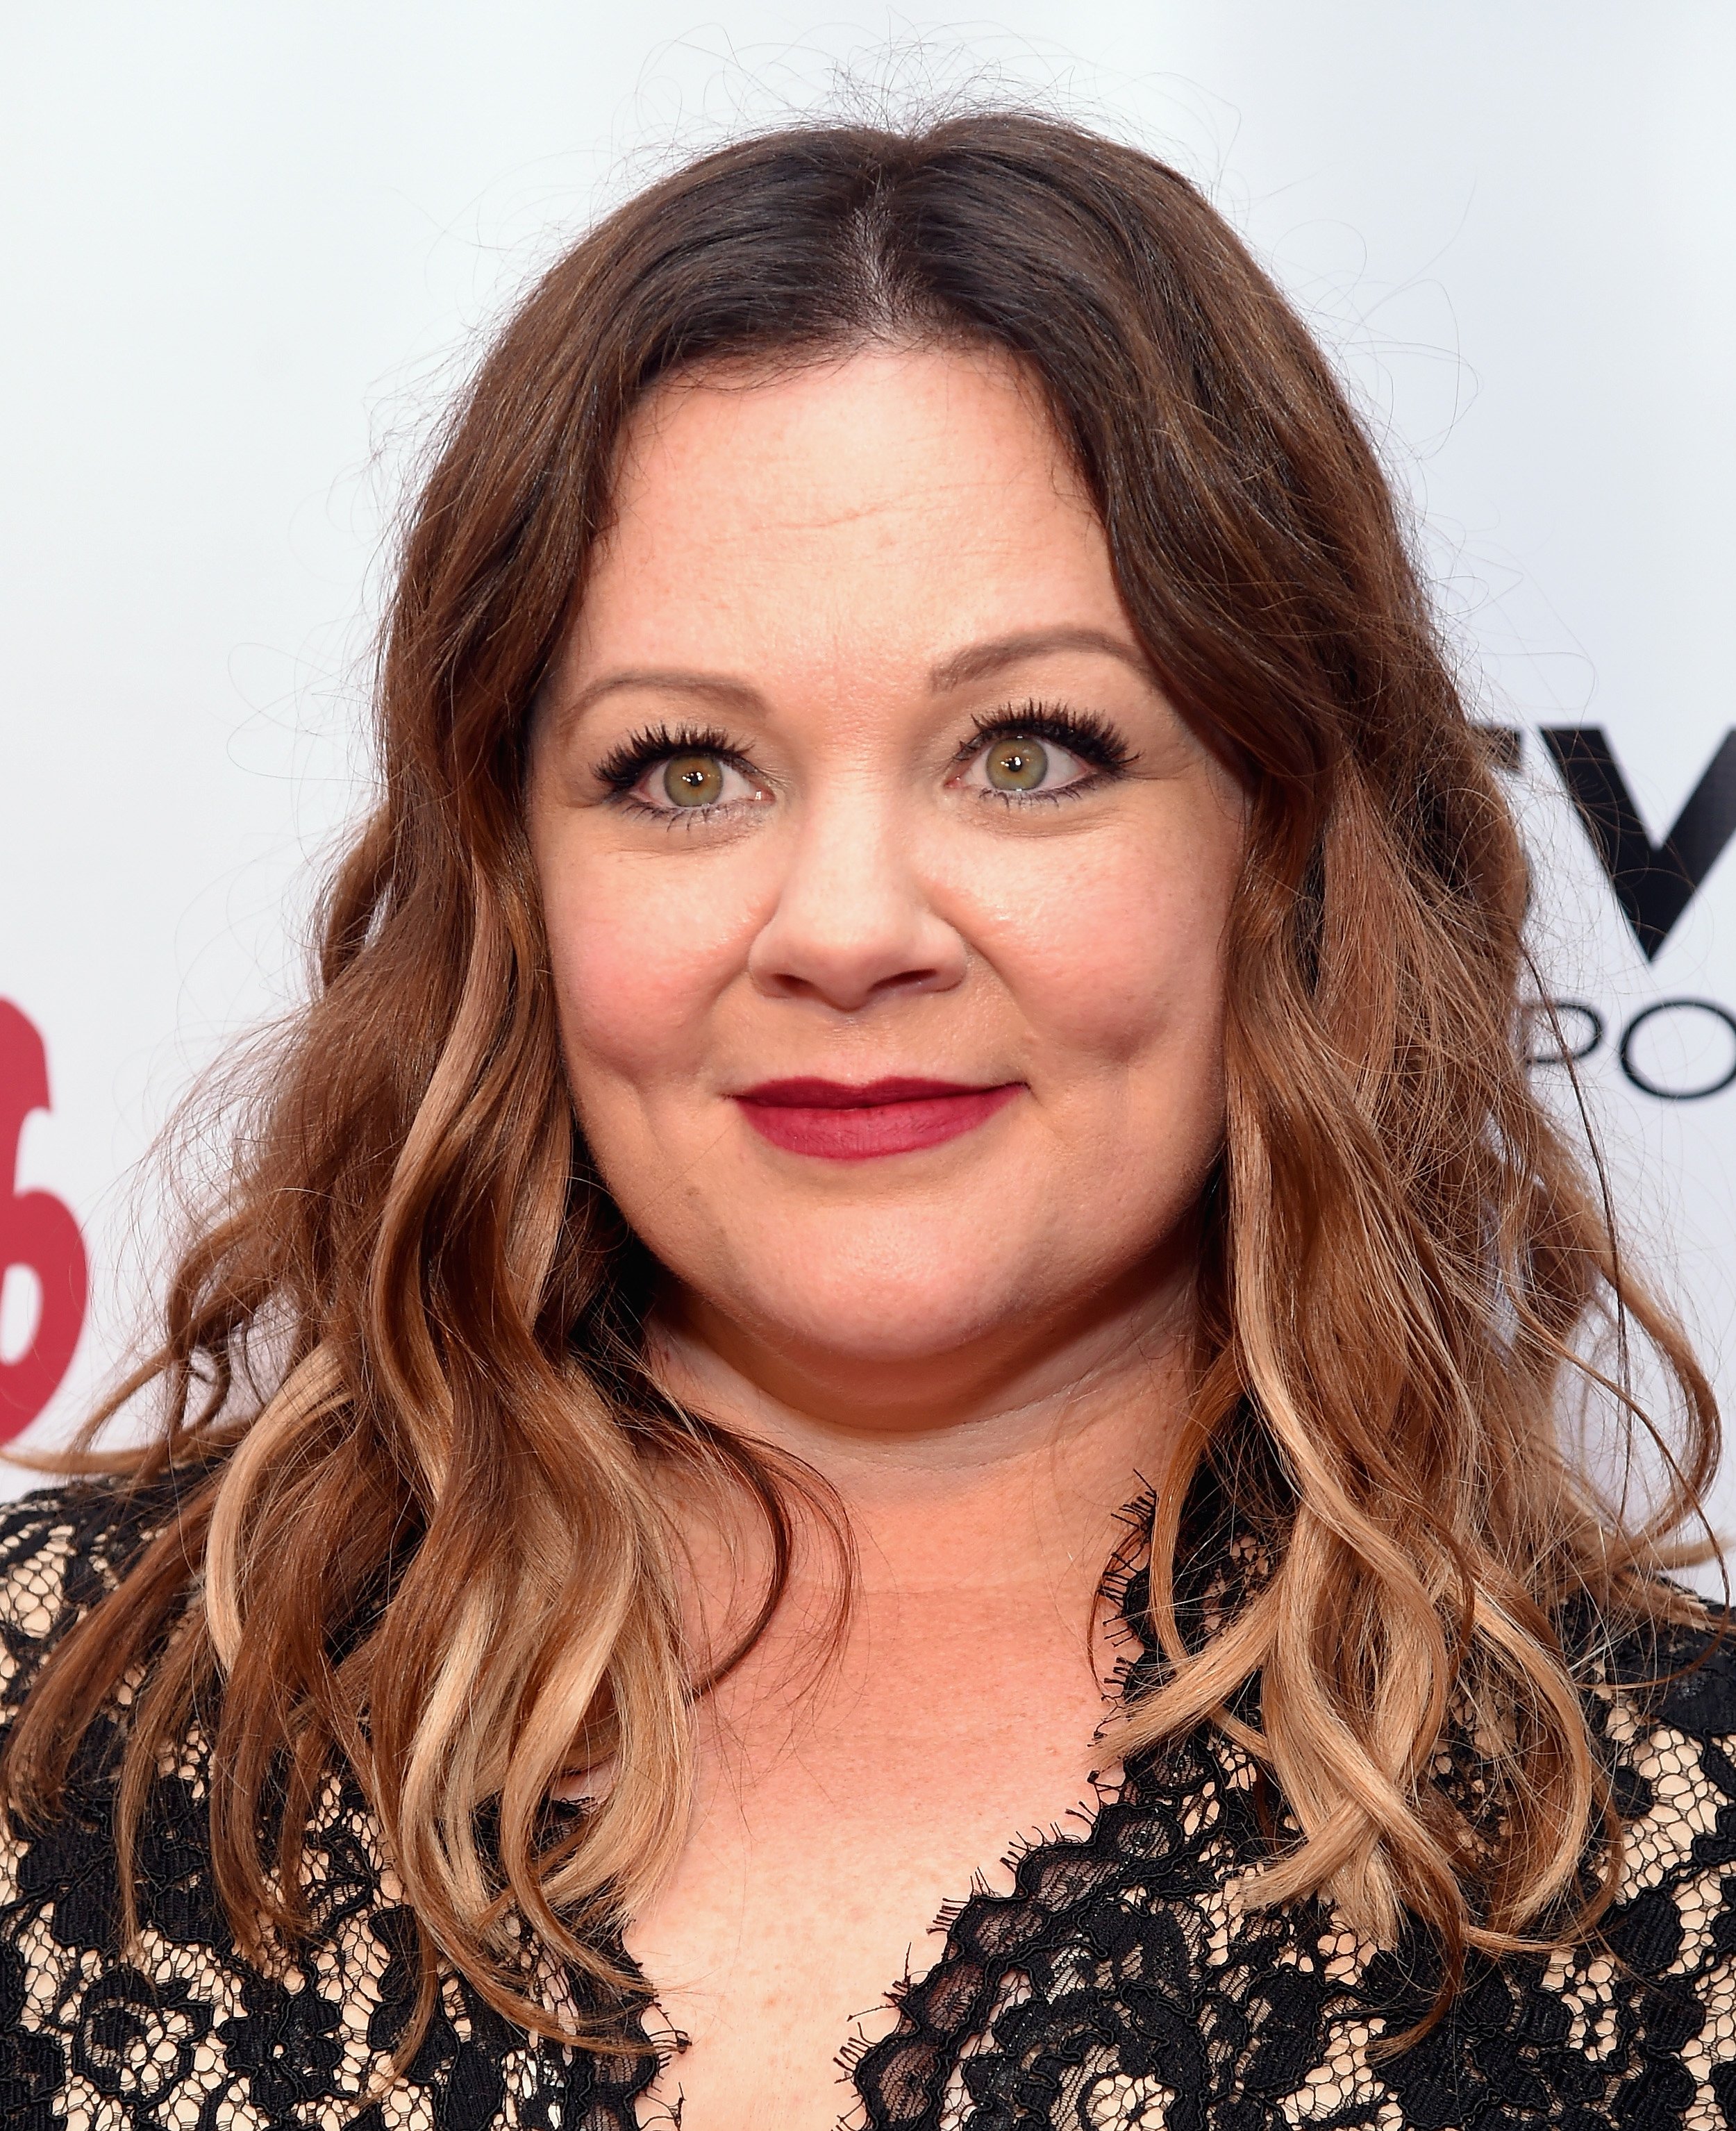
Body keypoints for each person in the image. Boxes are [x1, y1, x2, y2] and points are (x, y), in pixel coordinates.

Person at [1, 110, 1733, 2131]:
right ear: (511, 885)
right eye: (679, 771)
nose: (842, 931)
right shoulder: (61, 1732)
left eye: (1026, 754)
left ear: (1286, 854)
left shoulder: (1665, 1856)